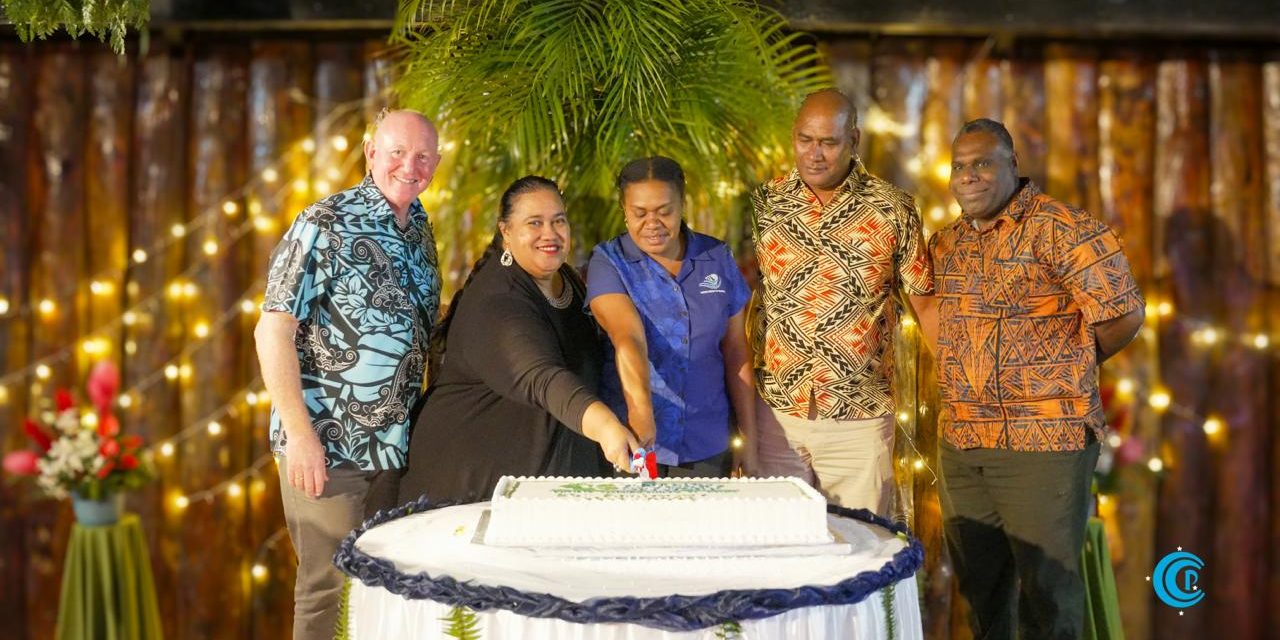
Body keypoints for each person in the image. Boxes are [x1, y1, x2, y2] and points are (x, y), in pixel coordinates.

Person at [930, 118, 1144, 639]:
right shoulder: (947, 243)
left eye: (982, 163)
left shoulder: (1064, 228)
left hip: (1044, 444)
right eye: (960, 166)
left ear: (1013, 165)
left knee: (1047, 596)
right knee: (982, 595)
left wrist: (1061, 368)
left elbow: (1124, 314)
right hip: (963, 442)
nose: (969, 176)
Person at [255, 109, 442, 640]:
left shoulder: (421, 229)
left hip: (394, 452)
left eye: (423, 155)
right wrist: (300, 435)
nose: (411, 166)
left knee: (378, 594)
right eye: (398, 152)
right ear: (370, 152)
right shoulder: (324, 222)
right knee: (327, 590)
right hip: (328, 449)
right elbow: (272, 331)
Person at [749, 88, 936, 514]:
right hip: (778, 414)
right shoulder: (764, 205)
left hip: (860, 418)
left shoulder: (893, 209)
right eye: (805, 140)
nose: (814, 154)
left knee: (862, 552)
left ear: (853, 140)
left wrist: (955, 379)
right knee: (778, 549)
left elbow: (924, 301)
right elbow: (740, 295)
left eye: (829, 143)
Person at [397, 176, 639, 505]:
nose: (550, 234)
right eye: (534, 223)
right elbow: (540, 377)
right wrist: (607, 427)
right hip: (474, 494)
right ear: (506, 232)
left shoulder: (565, 280)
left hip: (547, 492)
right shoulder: (497, 300)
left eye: (558, 220)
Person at [586, 156, 755, 477]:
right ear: (623, 209)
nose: (653, 223)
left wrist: (750, 441)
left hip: (708, 442)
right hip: (635, 444)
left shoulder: (716, 257)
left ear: (682, 205)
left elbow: (736, 351)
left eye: (665, 211)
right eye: (639, 213)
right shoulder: (608, 263)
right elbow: (627, 336)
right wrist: (641, 411)